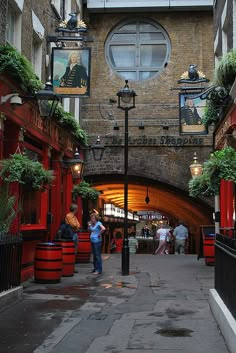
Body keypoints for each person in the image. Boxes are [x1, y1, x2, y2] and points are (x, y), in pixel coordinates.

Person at [65, 204, 80, 273]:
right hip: (71, 234)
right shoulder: (69, 216)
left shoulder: (74, 216)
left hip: (75, 234)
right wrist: (76, 226)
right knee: (72, 251)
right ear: (75, 209)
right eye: (77, 209)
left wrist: (76, 226)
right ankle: (70, 267)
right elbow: (73, 225)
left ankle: (73, 267)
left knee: (75, 251)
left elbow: (78, 225)